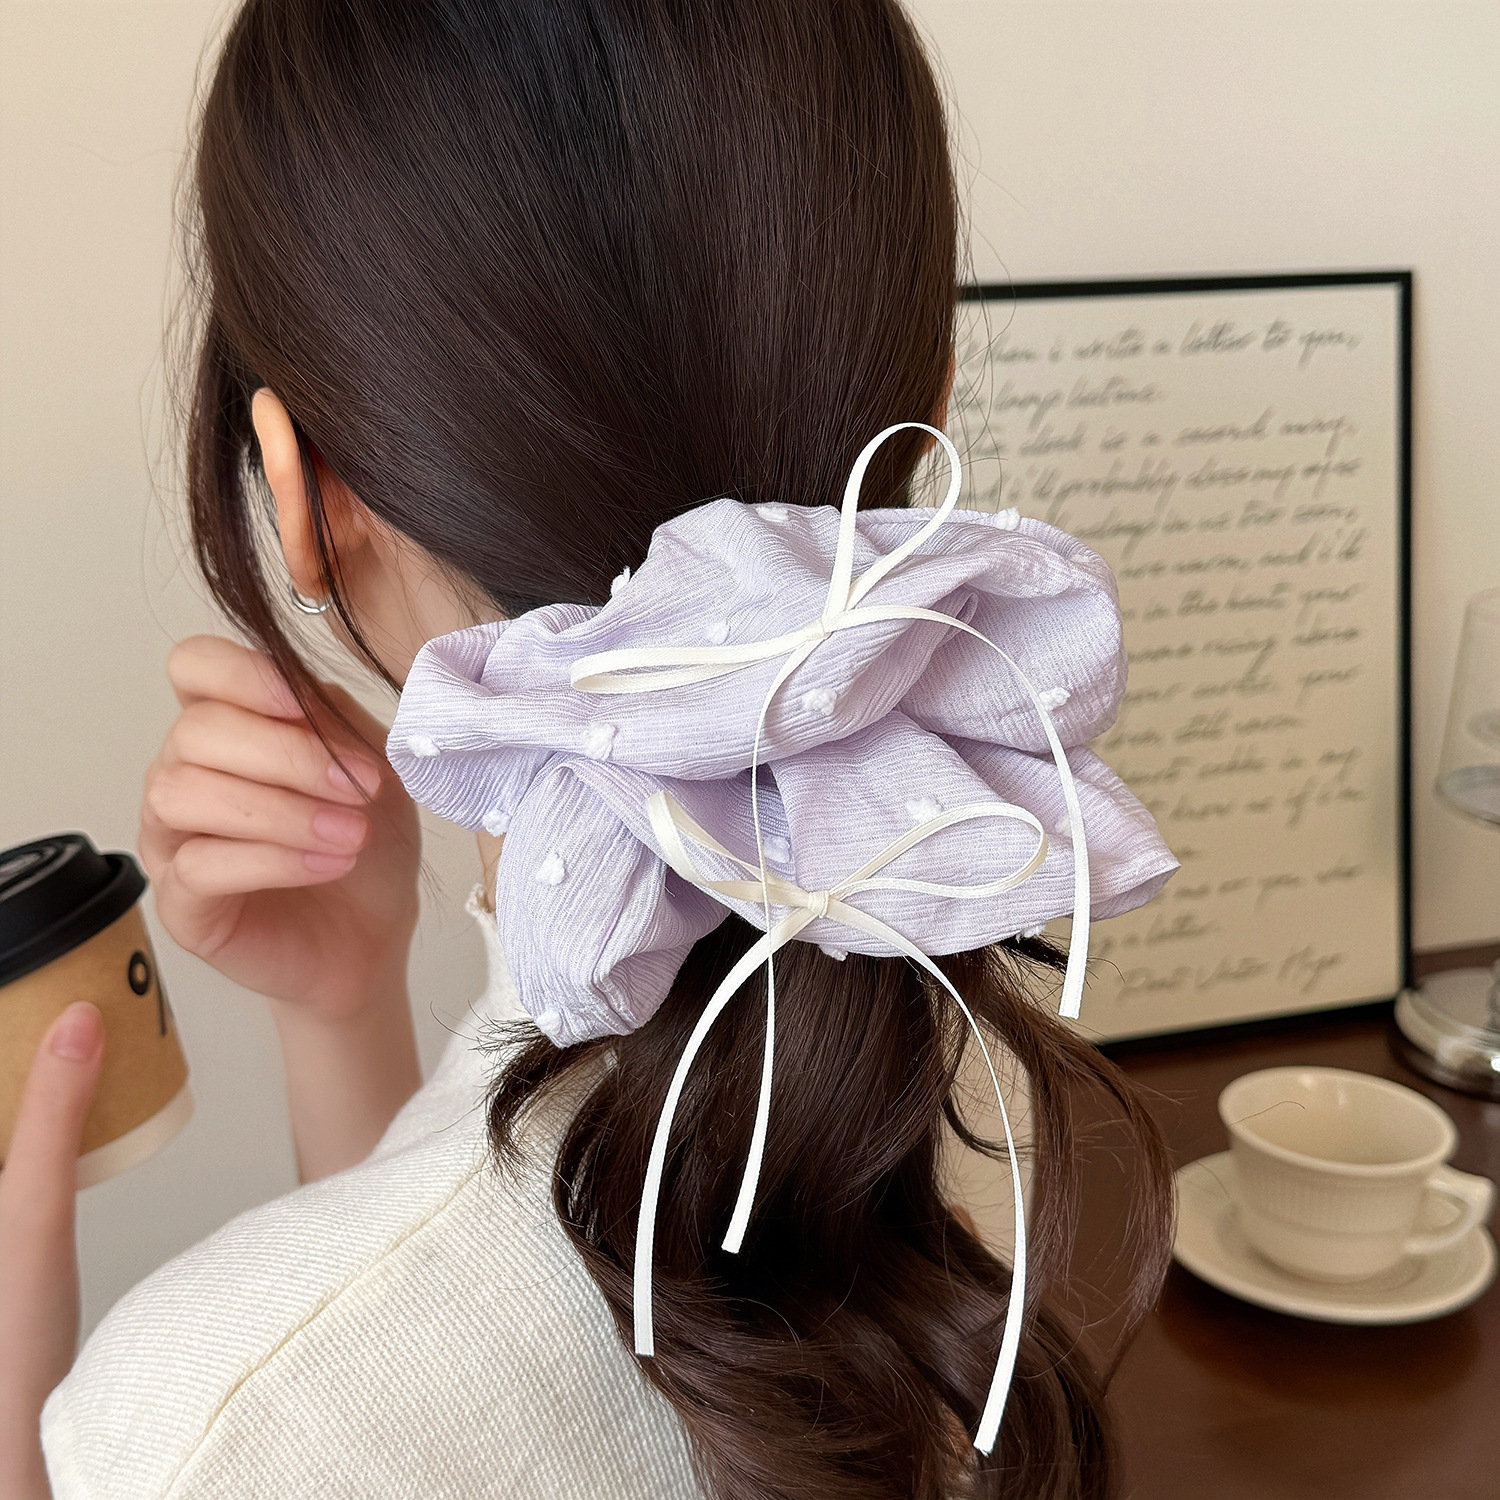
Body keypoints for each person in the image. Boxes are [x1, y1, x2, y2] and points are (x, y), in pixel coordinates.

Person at [2, 2, 1179, 1496]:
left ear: (302, 495)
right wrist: (344, 1006)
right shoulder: (965, 1071)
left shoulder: (195, 1420)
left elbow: (384, 1350)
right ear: (928, 413)